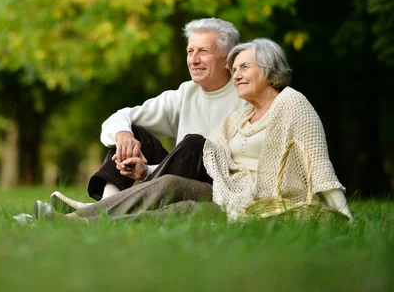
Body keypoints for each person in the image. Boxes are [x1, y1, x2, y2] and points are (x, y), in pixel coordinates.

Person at [32, 38, 352, 223]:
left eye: (244, 68)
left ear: (269, 72)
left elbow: (319, 165)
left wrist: (343, 215)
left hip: (269, 204)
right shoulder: (240, 117)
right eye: (234, 68)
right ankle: (75, 221)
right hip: (230, 196)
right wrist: (146, 170)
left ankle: (85, 223)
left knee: (183, 209)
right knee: (169, 181)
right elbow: (209, 155)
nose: (236, 75)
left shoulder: (292, 104)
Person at [50, 18, 243, 213]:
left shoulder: (246, 94)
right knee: (132, 130)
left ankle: (105, 210)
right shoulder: (186, 93)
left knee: (195, 145)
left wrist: (147, 171)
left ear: (228, 60)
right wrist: (123, 135)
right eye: (190, 51)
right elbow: (120, 117)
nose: (194, 60)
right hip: (170, 179)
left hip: (216, 188)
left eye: (203, 51)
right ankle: (106, 204)